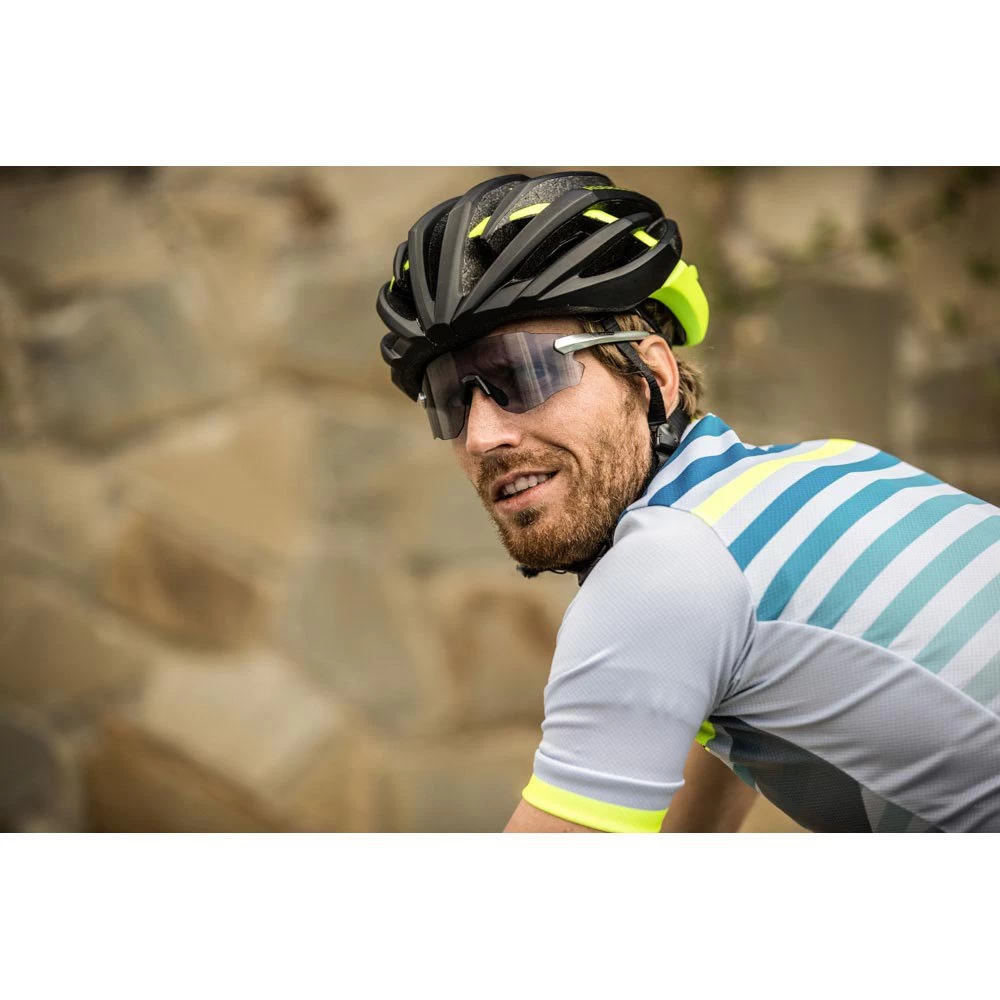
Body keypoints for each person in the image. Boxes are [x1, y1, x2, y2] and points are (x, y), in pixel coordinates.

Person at [375, 171, 1000, 833]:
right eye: (450, 402)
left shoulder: (667, 566)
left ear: (653, 376)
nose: (481, 437)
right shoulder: (827, 469)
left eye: (524, 373)